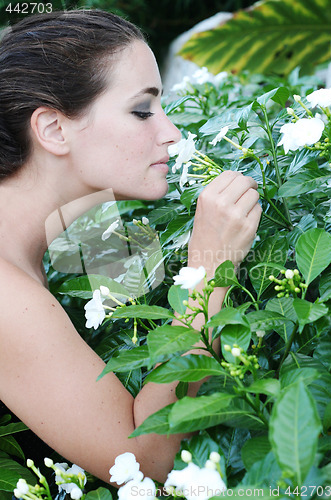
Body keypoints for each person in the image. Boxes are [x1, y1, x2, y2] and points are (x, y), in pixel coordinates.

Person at [0, 9, 261, 485]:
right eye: (142, 111)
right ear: (54, 130)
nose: (172, 134)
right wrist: (208, 268)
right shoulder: (5, 294)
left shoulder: (43, 247)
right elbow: (143, 461)